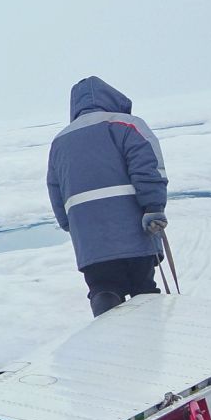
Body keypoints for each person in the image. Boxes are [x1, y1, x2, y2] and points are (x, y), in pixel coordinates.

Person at [47, 76, 170, 316]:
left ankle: (112, 341)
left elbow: (55, 187)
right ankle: (151, 344)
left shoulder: (60, 141)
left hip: (90, 239)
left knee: (103, 288)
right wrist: (154, 206)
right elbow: (148, 168)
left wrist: (71, 225)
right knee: (143, 290)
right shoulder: (127, 125)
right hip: (134, 231)